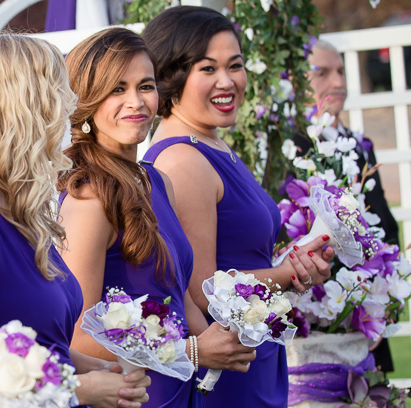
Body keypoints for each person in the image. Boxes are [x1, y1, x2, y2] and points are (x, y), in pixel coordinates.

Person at [0, 33, 150, 408]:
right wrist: (80, 389)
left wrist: (93, 367)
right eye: (59, 99)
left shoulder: (11, 208)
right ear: (20, 111)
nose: (69, 113)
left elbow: (28, 341)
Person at [140, 7, 334, 407]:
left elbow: (239, 257)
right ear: (173, 75)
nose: (227, 81)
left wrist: (293, 262)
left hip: (252, 351)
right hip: (224, 366)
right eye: (207, 69)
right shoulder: (183, 160)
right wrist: (288, 273)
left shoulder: (213, 145)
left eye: (236, 65)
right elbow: (203, 291)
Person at [57, 28, 257, 408]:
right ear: (85, 101)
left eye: (145, 86)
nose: (136, 102)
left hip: (180, 390)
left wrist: (224, 339)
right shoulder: (88, 197)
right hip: (135, 395)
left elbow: (176, 289)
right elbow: (78, 333)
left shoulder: (156, 180)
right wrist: (192, 350)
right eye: (117, 89)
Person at [295, 40, 400, 372]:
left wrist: (384, 300)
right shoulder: (294, 146)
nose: (338, 83)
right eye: (322, 73)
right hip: (322, 310)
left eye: (340, 71)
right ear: (295, 81)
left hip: (371, 303)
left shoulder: (360, 146)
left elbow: (385, 223)